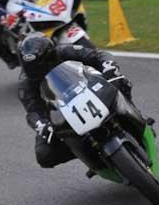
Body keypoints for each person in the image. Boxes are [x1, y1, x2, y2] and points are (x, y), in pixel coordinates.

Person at [17, 34, 133, 169]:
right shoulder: (25, 85)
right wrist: (42, 125)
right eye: (33, 68)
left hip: (88, 87)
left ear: (52, 55)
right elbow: (33, 112)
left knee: (120, 83)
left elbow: (99, 55)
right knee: (44, 155)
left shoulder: (65, 51)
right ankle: (88, 153)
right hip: (59, 112)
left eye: (43, 64)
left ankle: (134, 115)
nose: (39, 71)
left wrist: (110, 70)